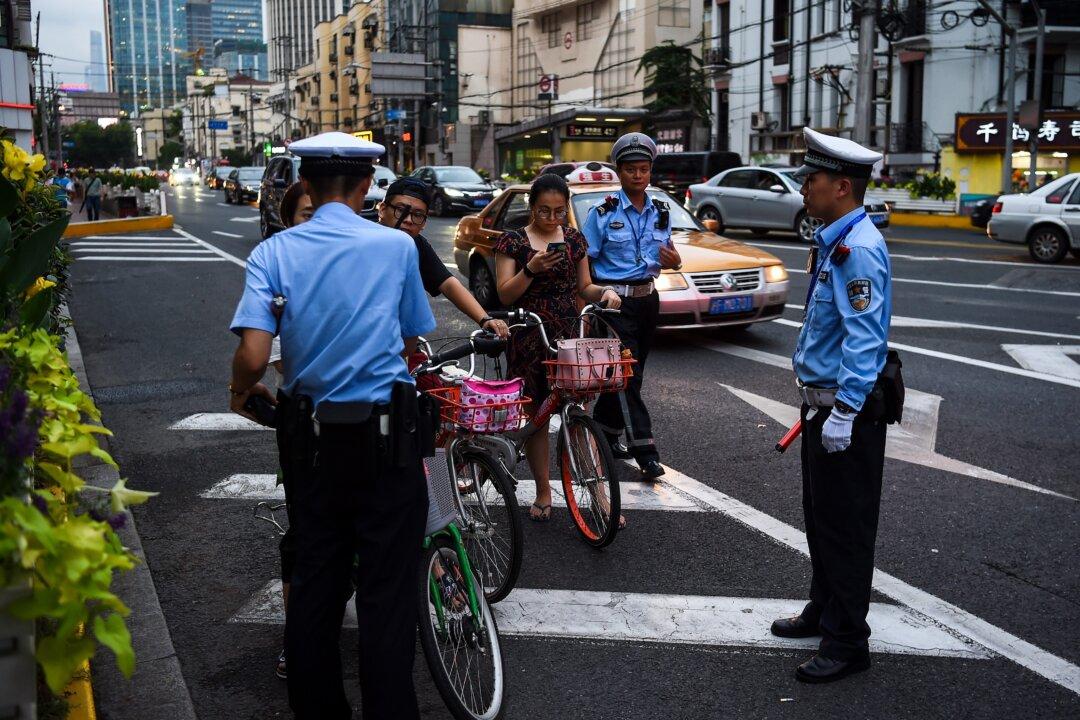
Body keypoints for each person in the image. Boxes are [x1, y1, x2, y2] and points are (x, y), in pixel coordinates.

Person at [229, 131, 435, 719]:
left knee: (316, 586)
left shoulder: (273, 253)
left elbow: (253, 355)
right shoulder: (396, 248)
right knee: (387, 596)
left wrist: (241, 390)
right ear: (367, 185)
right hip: (387, 443)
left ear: (307, 185)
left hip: (312, 445)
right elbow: (410, 335)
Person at [769, 127, 893, 684]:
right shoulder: (834, 237)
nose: (804, 187)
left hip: (846, 412)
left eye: (812, 179)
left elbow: (865, 338)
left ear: (842, 186)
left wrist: (844, 410)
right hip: (821, 406)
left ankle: (847, 641)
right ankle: (824, 608)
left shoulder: (857, 248)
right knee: (821, 518)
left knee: (845, 527)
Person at [493, 173, 621, 522]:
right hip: (529, 335)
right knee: (537, 413)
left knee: (577, 407)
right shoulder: (512, 242)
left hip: (568, 335)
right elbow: (505, 294)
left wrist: (605, 292)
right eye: (544, 211)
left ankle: (599, 496)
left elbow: (585, 286)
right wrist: (530, 269)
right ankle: (543, 491)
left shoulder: (575, 240)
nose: (552, 218)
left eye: (559, 211)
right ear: (531, 207)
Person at [580, 133, 682, 480]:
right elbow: (585, 262)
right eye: (630, 169)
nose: (638, 175)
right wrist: (587, 306)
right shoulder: (603, 213)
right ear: (619, 172)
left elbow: (668, 255)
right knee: (628, 375)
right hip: (614, 304)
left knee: (630, 374)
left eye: (644, 169)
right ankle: (646, 451)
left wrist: (675, 261)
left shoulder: (661, 211)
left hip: (648, 300)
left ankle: (605, 431)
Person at [376, 177, 508, 338]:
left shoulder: (417, 245)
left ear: (424, 223)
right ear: (382, 209)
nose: (408, 220)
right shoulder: (362, 243)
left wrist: (485, 319)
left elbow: (447, 283)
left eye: (418, 215)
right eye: (400, 210)